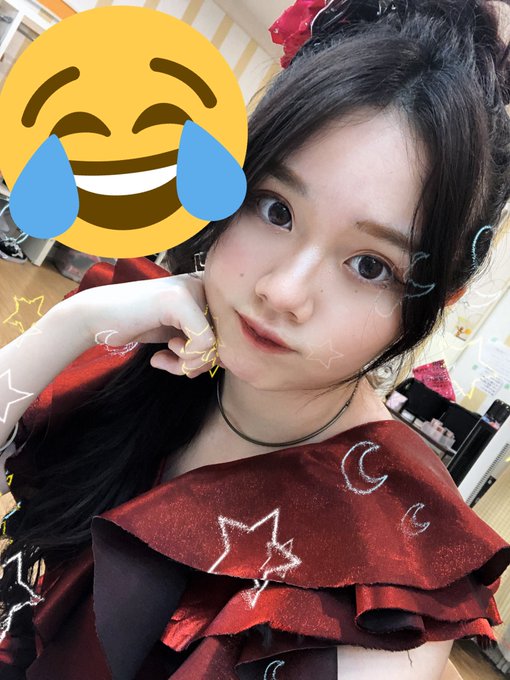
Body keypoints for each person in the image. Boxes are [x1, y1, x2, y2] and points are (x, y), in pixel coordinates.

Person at [0, 0, 510, 677]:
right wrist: (72, 325)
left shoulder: (401, 560)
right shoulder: (136, 343)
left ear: (437, 302)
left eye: (369, 266)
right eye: (276, 209)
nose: (283, 291)